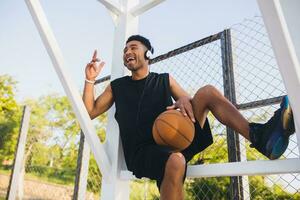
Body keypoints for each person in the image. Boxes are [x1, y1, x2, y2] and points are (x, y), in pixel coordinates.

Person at [83, 35, 295, 200]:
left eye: (133, 47)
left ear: (148, 54)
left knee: (208, 93)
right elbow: (90, 112)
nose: (127, 51)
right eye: (125, 50)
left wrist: (184, 100)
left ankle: (261, 138)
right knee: (175, 161)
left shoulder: (165, 80)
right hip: (143, 152)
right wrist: (90, 80)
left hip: (176, 138)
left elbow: (187, 100)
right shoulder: (117, 87)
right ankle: (168, 174)